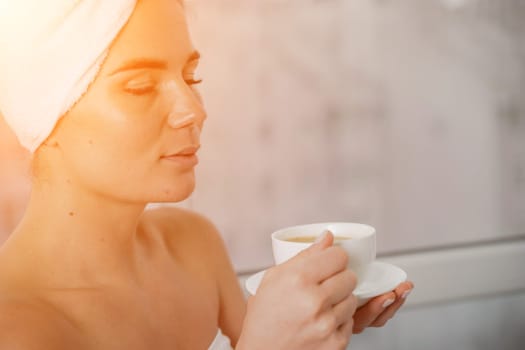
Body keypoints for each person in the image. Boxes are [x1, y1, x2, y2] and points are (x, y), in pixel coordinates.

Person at [0, 1, 413, 349]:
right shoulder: (15, 327)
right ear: (45, 120)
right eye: (141, 86)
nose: (193, 109)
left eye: (190, 77)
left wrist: (317, 321)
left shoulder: (193, 245)